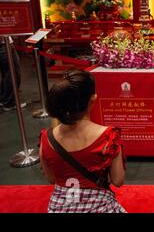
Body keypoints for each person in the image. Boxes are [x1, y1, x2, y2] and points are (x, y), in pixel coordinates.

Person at [39, 69, 126, 213]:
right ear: (92, 100)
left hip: (59, 207)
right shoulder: (109, 136)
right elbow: (118, 180)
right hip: (99, 207)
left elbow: (52, 179)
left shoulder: (46, 138)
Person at [0, 0, 26, 111]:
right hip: (4, 46)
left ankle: (4, 99)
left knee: (6, 74)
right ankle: (9, 103)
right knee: (12, 74)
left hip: (5, 45)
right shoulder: (4, 12)